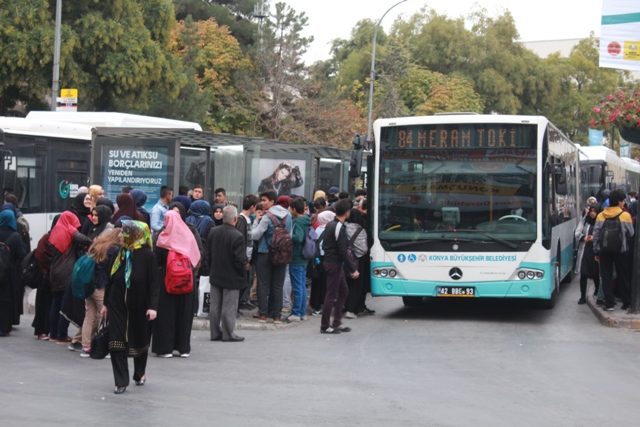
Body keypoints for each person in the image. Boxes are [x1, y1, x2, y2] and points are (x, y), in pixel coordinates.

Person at [101, 221, 158, 394]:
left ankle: (139, 373)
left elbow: (154, 285)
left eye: (125, 232)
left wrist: (153, 307)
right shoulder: (119, 254)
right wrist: (105, 304)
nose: (120, 235)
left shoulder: (148, 256)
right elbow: (110, 280)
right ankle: (120, 381)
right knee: (116, 343)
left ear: (137, 235)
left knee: (139, 342)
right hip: (117, 304)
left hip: (140, 306)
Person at [152, 210, 201, 358]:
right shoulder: (188, 236)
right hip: (186, 281)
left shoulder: (163, 238)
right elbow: (196, 258)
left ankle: (165, 348)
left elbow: (157, 260)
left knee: (166, 314)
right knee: (184, 313)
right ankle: (183, 348)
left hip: (167, 280)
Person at [48, 211, 92, 343]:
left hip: (54, 270)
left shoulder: (55, 230)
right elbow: (83, 238)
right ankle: (62, 335)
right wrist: (94, 242)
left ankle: (53, 334)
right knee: (64, 304)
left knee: (55, 303)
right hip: (65, 271)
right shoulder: (68, 229)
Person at [80, 229, 122, 357]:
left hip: (89, 285)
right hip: (100, 286)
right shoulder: (112, 250)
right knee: (104, 315)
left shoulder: (99, 245)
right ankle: (102, 346)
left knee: (89, 316)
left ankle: (86, 346)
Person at [207, 206, 247, 342]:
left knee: (215, 305)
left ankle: (214, 333)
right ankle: (228, 333)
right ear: (235, 218)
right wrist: (243, 274)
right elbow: (240, 260)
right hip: (232, 276)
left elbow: (208, 254)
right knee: (229, 306)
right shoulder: (237, 236)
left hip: (216, 273)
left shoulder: (213, 231)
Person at [252, 189, 292, 323]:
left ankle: (263, 314)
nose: (261, 203)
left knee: (263, 285)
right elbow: (289, 236)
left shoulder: (266, 217)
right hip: (282, 254)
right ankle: (277, 316)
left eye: (264, 200)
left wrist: (256, 221)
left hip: (265, 253)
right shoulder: (288, 216)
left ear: (272, 202)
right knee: (277, 285)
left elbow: (255, 235)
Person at [320, 199, 358, 334]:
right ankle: (325, 325)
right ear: (347, 213)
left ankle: (336, 321)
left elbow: (325, 245)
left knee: (343, 292)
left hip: (332, 262)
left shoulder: (331, 224)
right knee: (331, 295)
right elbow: (343, 251)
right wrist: (353, 269)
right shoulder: (338, 227)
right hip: (334, 264)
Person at [592, 189, 634, 311]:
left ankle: (609, 304)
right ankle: (626, 303)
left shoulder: (601, 215)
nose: (623, 203)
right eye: (623, 201)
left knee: (606, 276)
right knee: (623, 276)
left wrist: (596, 251)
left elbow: (596, 235)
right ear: (620, 202)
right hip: (621, 251)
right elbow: (631, 233)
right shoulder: (625, 215)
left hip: (604, 251)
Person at [0, 210, 28, 336]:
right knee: (6, 299)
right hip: (10, 273)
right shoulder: (15, 237)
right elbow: (22, 254)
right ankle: (4, 328)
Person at [32, 216, 60, 340]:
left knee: (52, 304)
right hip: (45, 277)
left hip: (54, 276)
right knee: (43, 304)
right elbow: (40, 255)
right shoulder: (46, 238)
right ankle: (41, 330)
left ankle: (50, 330)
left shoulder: (61, 238)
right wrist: (53, 262)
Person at [287, 197, 310, 322]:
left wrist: (288, 234)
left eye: (290, 208)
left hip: (296, 257)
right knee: (302, 285)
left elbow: (298, 238)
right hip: (304, 257)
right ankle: (302, 312)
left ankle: (296, 313)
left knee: (297, 286)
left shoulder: (298, 221)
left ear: (294, 209)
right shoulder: (306, 220)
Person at [235, 195, 258, 310]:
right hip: (243, 259)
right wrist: (244, 260)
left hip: (248, 258)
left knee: (246, 282)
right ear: (252, 207)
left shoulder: (249, 220)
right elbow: (241, 242)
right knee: (241, 283)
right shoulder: (241, 220)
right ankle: (236, 306)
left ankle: (242, 302)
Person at [309, 210, 335, 316]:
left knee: (316, 282)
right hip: (326, 258)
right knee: (325, 283)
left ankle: (315, 305)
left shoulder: (317, 228)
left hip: (317, 258)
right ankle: (324, 304)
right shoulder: (330, 229)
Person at [575, 204, 600, 305]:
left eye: (595, 211)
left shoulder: (600, 222)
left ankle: (597, 293)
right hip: (585, 250)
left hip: (596, 251)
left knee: (595, 274)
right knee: (583, 274)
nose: (593, 213)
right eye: (591, 211)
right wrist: (583, 238)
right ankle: (582, 296)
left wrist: (594, 238)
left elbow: (602, 234)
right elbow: (577, 232)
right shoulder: (584, 220)